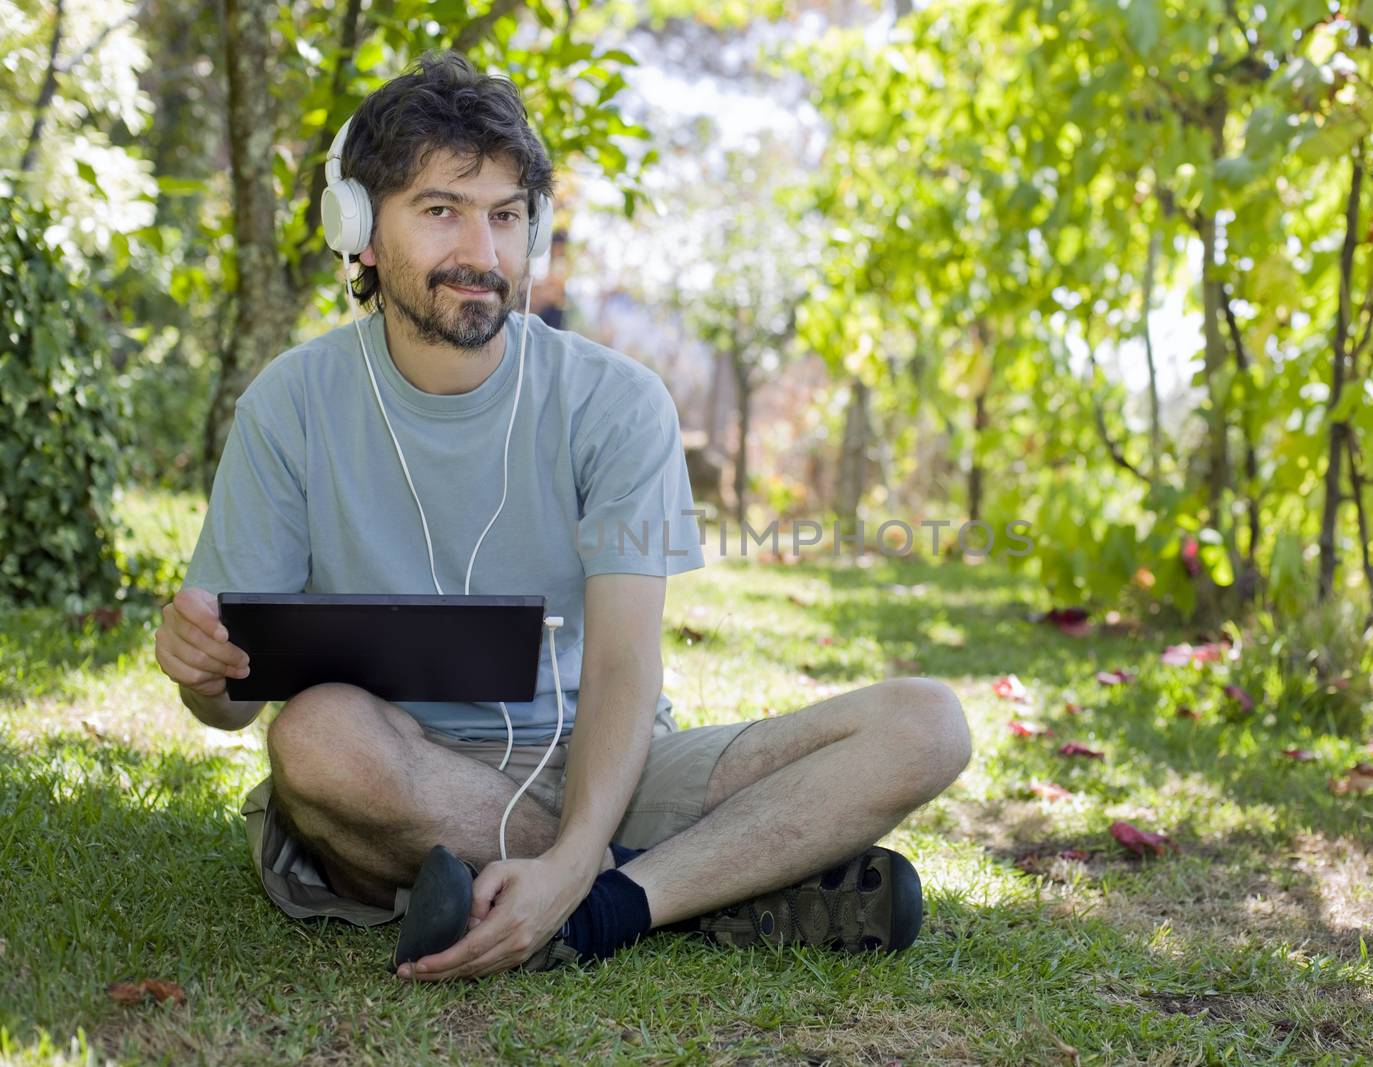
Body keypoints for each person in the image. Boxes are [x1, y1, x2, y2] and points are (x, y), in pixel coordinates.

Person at [152, 52, 970, 982]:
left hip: (607, 761)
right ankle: (701, 890)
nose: (482, 250)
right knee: (312, 735)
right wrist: (201, 668)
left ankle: (594, 903)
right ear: (360, 231)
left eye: (505, 216)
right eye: (440, 210)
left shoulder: (618, 403)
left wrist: (578, 853)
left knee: (927, 722)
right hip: (400, 770)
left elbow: (625, 661)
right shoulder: (289, 404)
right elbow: (229, 701)